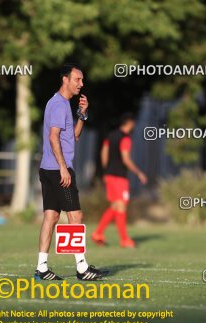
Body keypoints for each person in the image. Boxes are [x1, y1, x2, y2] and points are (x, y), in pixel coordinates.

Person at [35, 63, 105, 281]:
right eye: (77, 79)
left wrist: (82, 114)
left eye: (82, 80)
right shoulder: (58, 104)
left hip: (50, 169)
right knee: (75, 215)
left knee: (51, 216)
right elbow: (53, 137)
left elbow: (72, 136)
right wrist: (64, 168)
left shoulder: (64, 105)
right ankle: (82, 268)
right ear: (65, 79)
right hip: (58, 171)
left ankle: (42, 268)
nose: (81, 84)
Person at [91, 113, 147, 248]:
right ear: (129, 123)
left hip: (109, 175)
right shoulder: (126, 138)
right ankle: (124, 239)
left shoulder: (111, 135)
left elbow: (103, 152)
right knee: (121, 206)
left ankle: (98, 233)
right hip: (120, 176)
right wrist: (139, 173)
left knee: (116, 206)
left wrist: (106, 170)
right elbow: (126, 158)